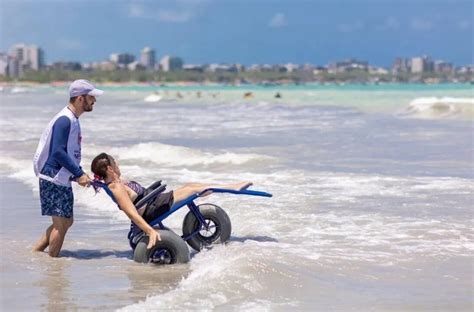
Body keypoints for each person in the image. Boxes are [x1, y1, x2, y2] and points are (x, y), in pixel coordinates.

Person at [90, 153, 252, 249]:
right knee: (192, 189)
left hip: (154, 201)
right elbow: (131, 212)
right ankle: (233, 187)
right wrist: (150, 231)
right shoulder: (115, 187)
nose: (118, 164)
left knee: (191, 186)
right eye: (115, 163)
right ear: (110, 169)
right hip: (152, 209)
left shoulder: (116, 182)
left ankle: (225, 186)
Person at [32, 79, 104, 257]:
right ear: (80, 99)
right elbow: (57, 152)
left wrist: (76, 175)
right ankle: (52, 265)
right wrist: (78, 173)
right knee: (61, 223)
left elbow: (68, 152)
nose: (94, 101)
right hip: (53, 176)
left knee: (67, 221)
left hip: (59, 176)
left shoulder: (72, 118)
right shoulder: (65, 120)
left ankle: (35, 252)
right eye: (91, 97)